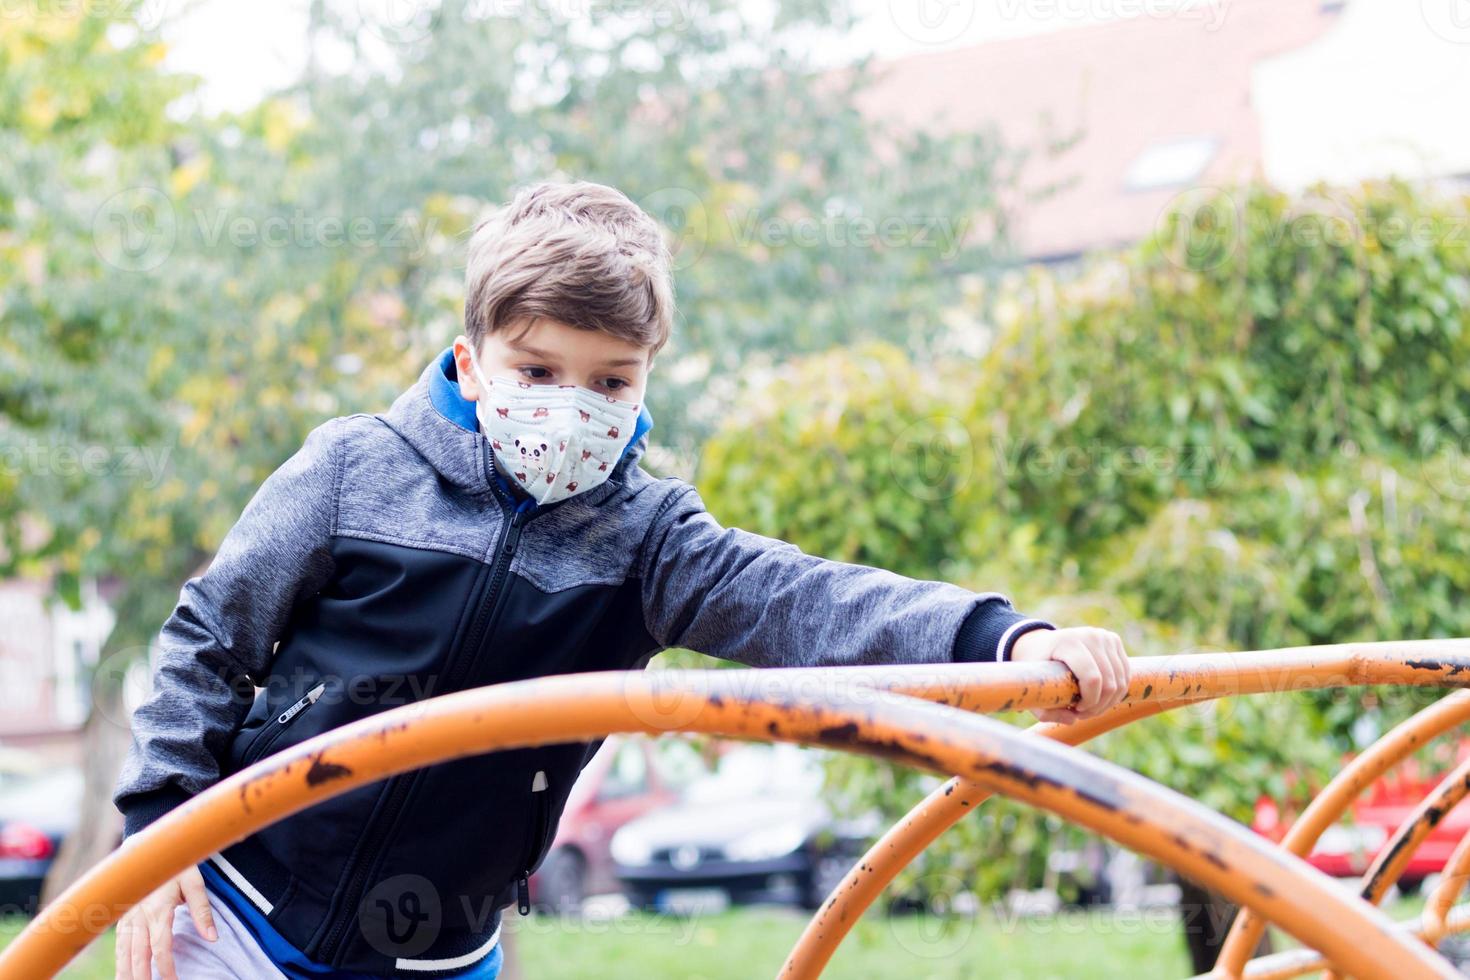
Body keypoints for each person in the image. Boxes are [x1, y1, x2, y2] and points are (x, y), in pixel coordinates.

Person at [112, 180, 1130, 979]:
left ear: (646, 377)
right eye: (538, 370)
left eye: (610, 381)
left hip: (434, 949)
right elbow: (212, 636)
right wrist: (157, 837)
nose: (571, 405)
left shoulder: (646, 537)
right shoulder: (352, 470)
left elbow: (804, 598)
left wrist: (1008, 638)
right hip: (240, 903)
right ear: (470, 362)